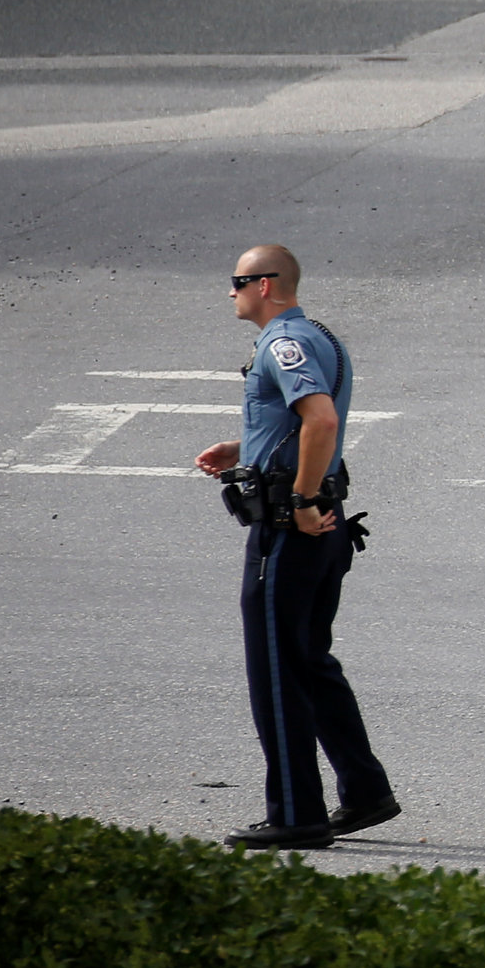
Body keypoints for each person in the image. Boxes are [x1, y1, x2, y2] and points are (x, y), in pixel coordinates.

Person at [193, 243, 396, 849]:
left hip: (292, 528)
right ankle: (364, 791)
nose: (230, 291)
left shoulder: (285, 343)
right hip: (320, 521)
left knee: (277, 670)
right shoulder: (314, 335)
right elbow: (299, 420)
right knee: (310, 661)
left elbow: (322, 420)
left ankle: (295, 813)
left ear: (265, 284)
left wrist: (301, 501)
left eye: (236, 280)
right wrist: (246, 448)